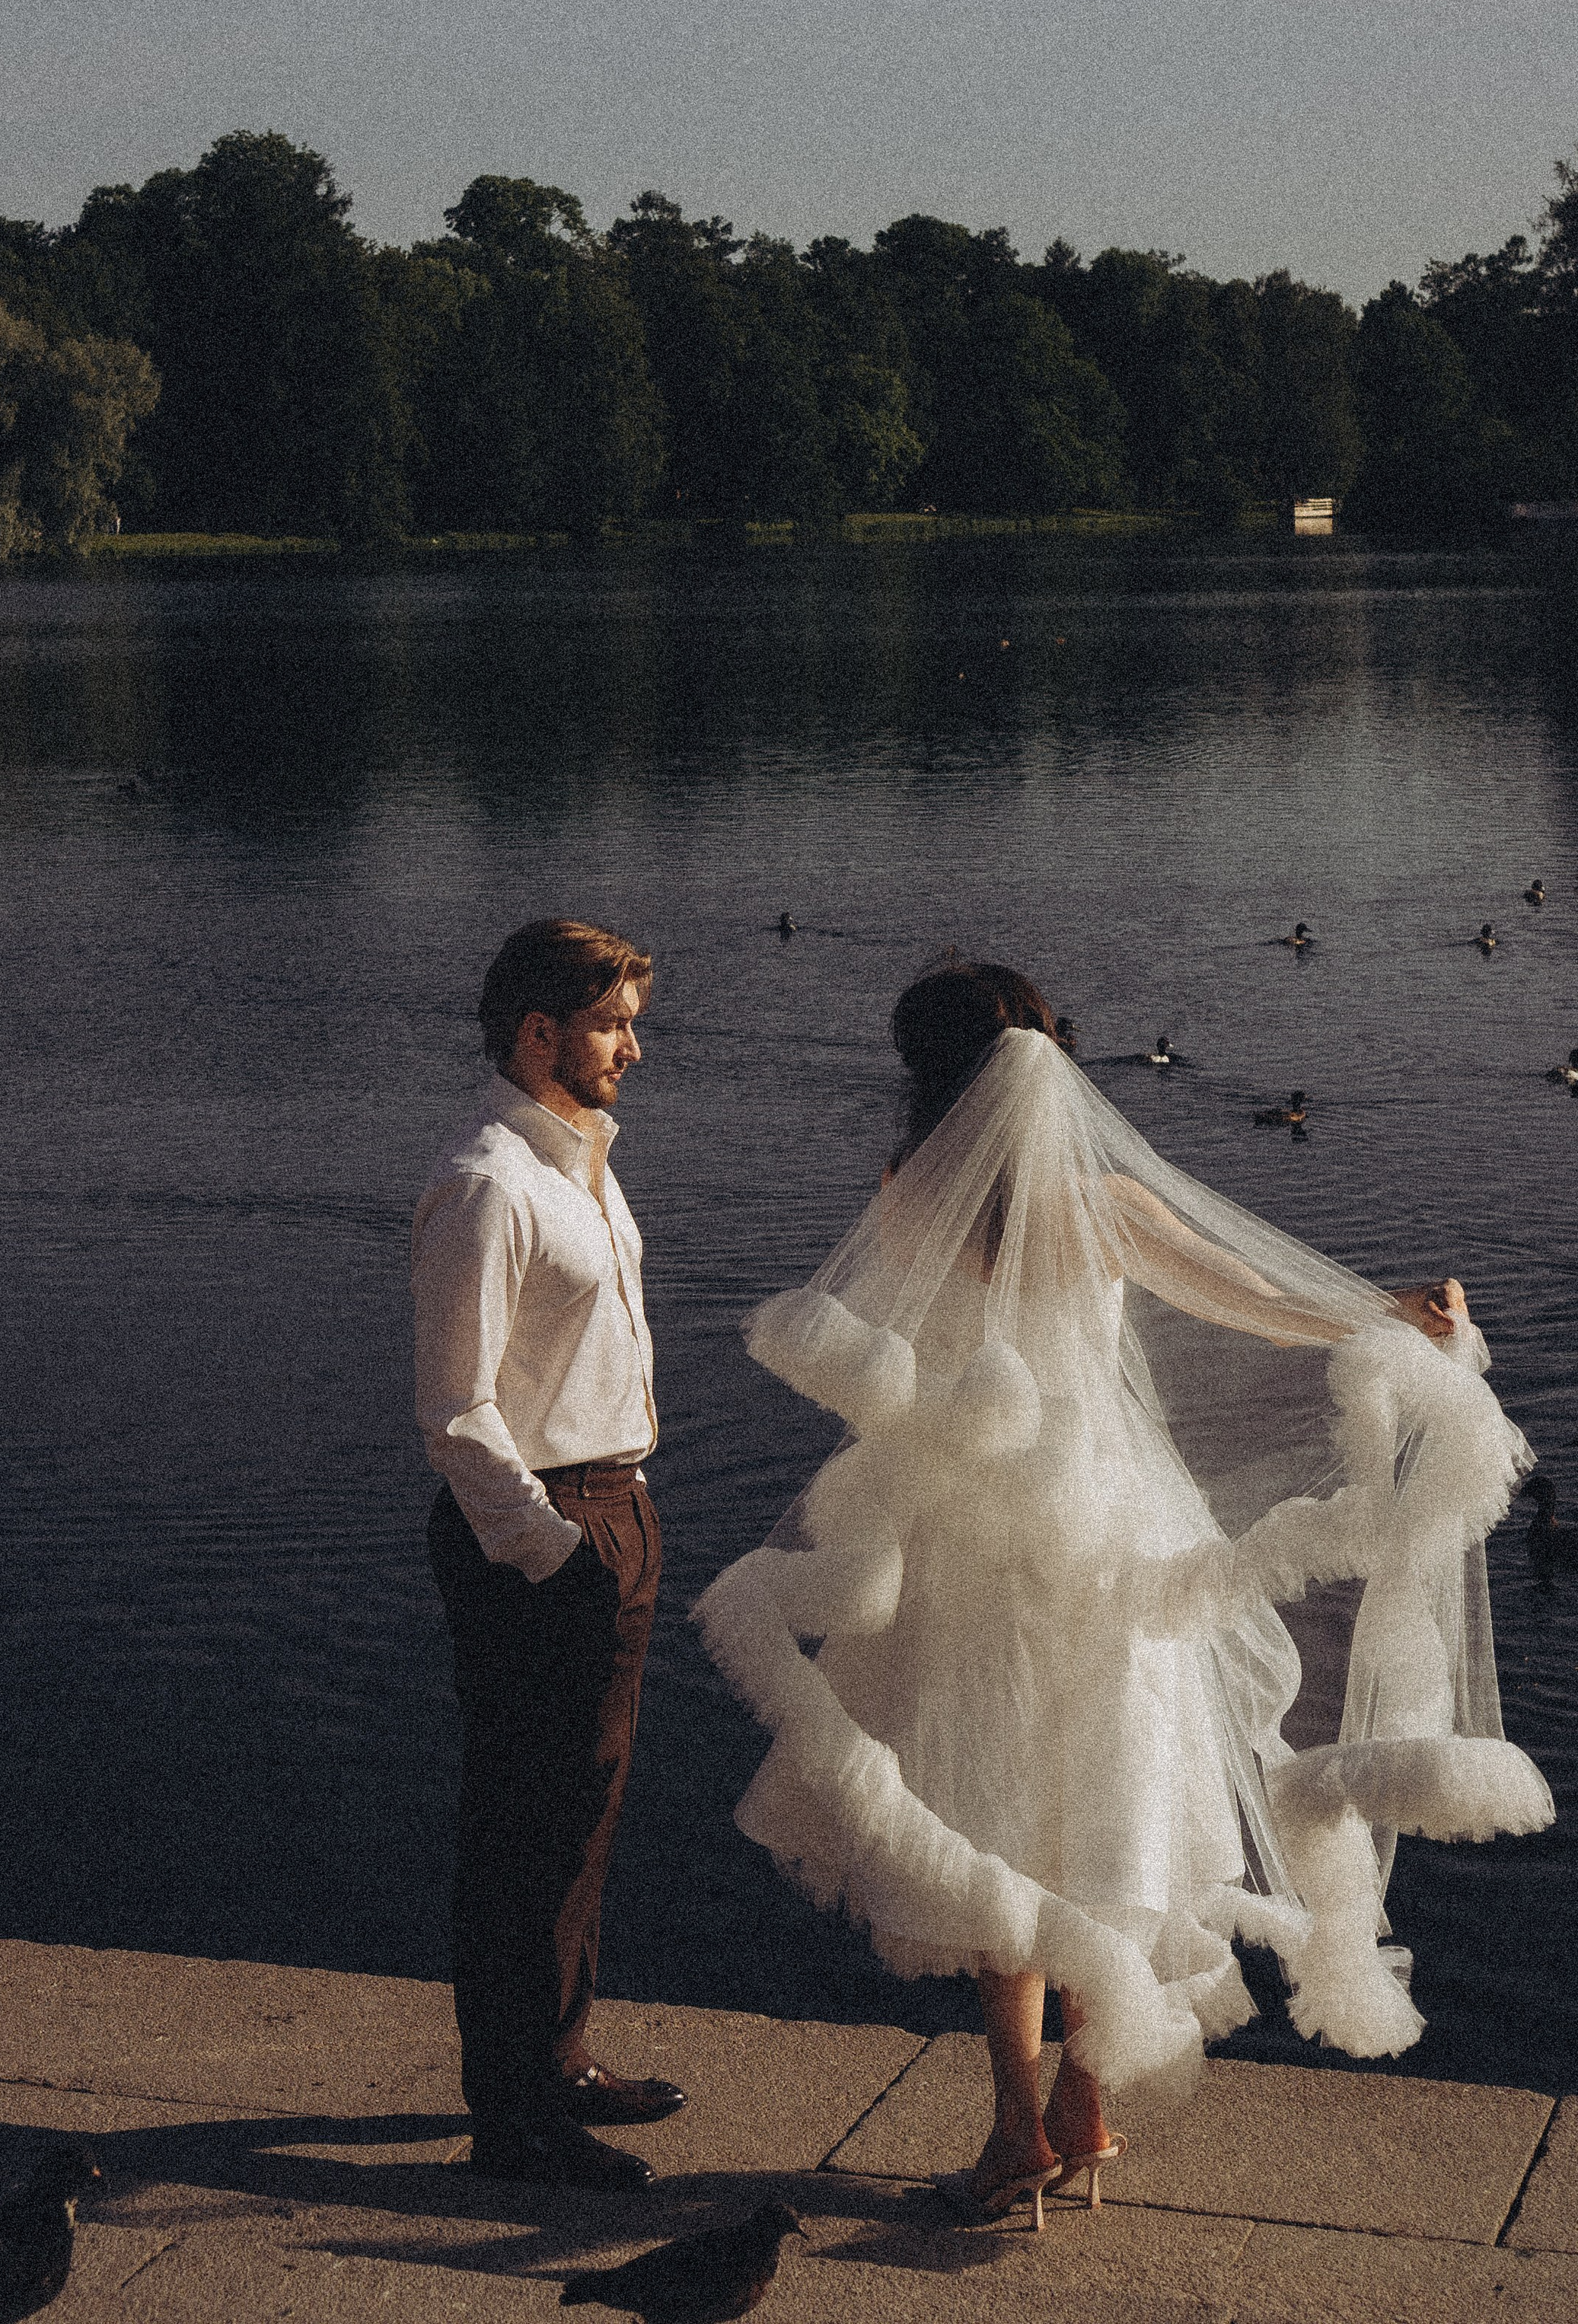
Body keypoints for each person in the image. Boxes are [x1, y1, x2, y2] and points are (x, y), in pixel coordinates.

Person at [697, 960, 1552, 2231]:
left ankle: (1014, 2130)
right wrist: (1392, 1314)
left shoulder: (905, 1200)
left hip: (965, 1534)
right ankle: (1085, 2103)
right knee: (1111, 1815)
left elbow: (896, 1359)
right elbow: (1260, 1302)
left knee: (987, 1821)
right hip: (1108, 1534)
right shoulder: (1097, 1203)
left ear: (927, 1075)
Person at [414, 919, 686, 2192]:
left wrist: (617, 1520)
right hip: (541, 1531)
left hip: (613, 1506)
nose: (633, 1047)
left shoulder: (581, 1164)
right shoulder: (488, 1185)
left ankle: (558, 2061)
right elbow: (455, 1411)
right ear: (539, 1033)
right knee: (522, 1825)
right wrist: (553, 1550)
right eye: (612, 1025)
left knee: (583, 1814)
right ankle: (511, 2118)